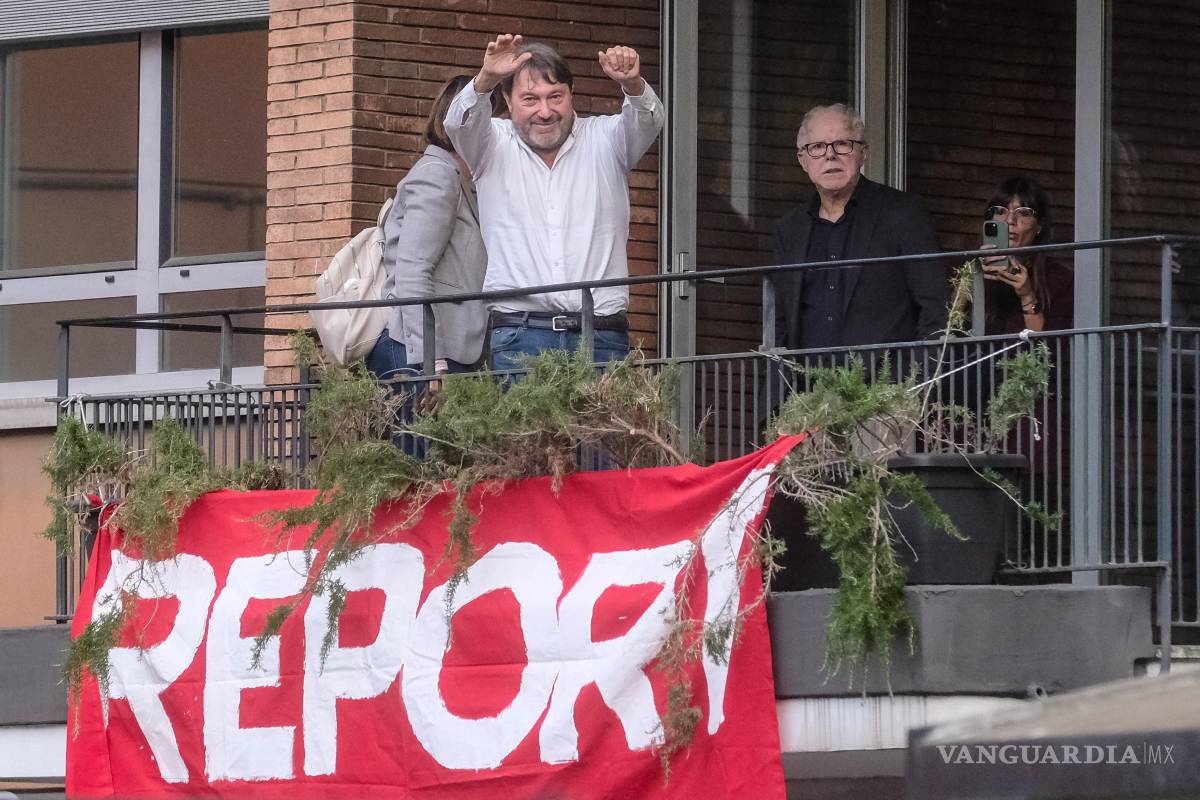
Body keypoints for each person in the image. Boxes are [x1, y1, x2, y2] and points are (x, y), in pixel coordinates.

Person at [445, 34, 666, 372]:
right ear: (508, 99)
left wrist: (633, 85)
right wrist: (485, 79)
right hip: (520, 334)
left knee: (603, 428)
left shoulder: (608, 139)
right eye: (530, 99)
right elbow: (457, 122)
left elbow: (648, 120)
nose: (545, 111)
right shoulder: (490, 144)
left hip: (600, 335)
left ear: (571, 95)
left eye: (555, 97)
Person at [365, 74, 493, 439]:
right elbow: (413, 271)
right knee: (420, 481)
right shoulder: (439, 175)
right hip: (418, 357)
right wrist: (431, 366)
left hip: (438, 356)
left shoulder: (457, 177)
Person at [769, 103, 949, 353]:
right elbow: (781, 325)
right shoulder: (790, 229)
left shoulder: (902, 213)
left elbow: (936, 306)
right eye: (817, 147)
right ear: (803, 160)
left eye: (843, 144)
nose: (830, 155)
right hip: (808, 387)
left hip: (887, 386)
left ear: (863, 153)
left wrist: (917, 381)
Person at [979, 175, 1074, 334]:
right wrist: (972, 278)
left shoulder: (1059, 278)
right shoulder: (972, 265)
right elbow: (948, 327)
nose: (1010, 220)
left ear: (1039, 226)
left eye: (1023, 212)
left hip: (1024, 359)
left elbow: (1047, 348)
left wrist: (1027, 295)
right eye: (1001, 211)